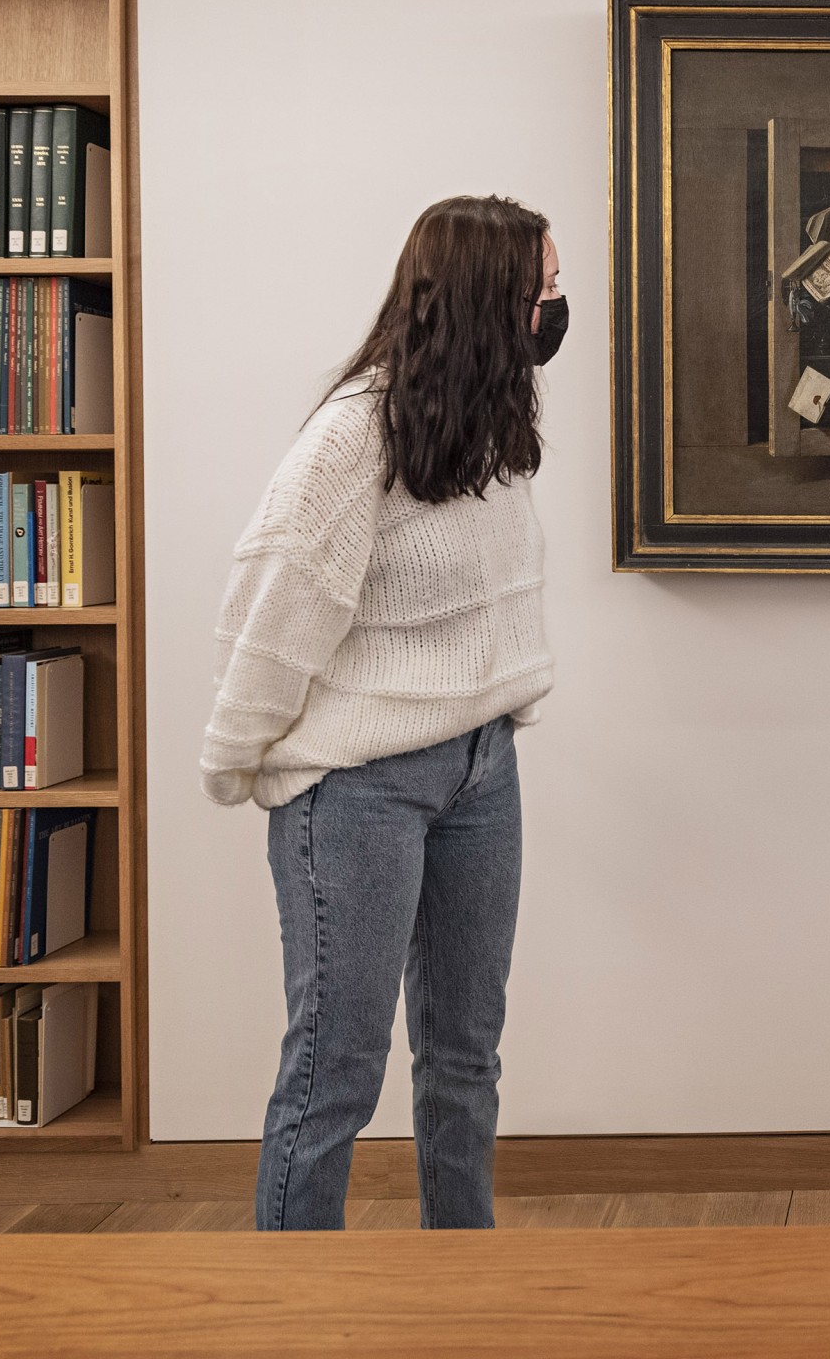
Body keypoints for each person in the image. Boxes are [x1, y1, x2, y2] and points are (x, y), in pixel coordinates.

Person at [199, 195, 564, 1231]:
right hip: (358, 786)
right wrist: (241, 760)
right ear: (491, 299)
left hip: (481, 771)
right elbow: (273, 605)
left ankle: (461, 1283)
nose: (554, 305)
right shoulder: (352, 436)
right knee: (336, 1068)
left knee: (463, 1057)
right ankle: (293, 1310)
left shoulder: (487, 426)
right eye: (541, 287)